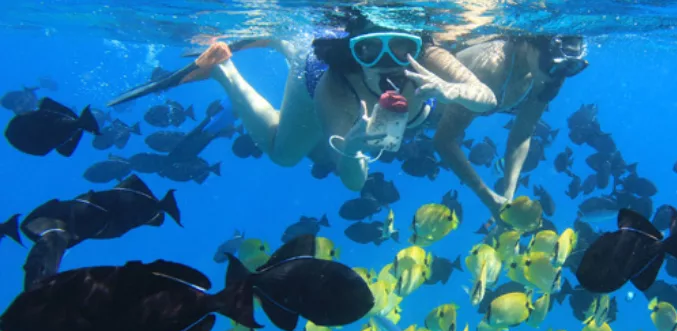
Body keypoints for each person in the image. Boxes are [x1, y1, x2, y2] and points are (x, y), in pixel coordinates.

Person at [108, 6, 497, 191]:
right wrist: (352, 150)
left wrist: (453, 89)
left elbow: (487, 98)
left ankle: (278, 38)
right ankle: (226, 69)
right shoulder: (334, 87)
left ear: (415, 44)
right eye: (368, 52)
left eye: (398, 48)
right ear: (353, 51)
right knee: (284, 154)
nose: (385, 63)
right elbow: (354, 184)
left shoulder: (428, 56)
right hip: (311, 72)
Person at [433, 34, 589, 214]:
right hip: (413, 117)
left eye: (569, 68)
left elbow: (522, 134)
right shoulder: (491, 69)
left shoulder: (548, 74)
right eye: (554, 66)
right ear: (529, 46)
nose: (558, 77)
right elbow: (444, 140)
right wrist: (487, 197)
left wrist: (508, 194)